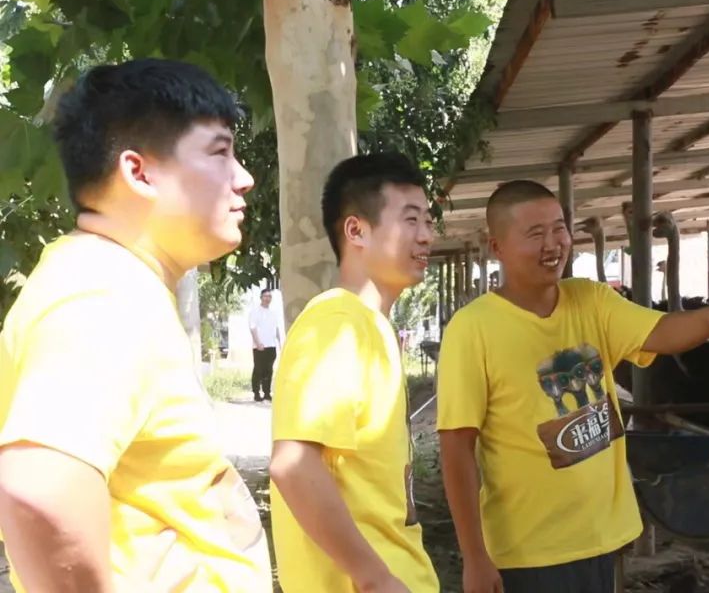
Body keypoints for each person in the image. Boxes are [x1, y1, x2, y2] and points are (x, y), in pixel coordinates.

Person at [0, 59, 271, 591]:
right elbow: (38, 491)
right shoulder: (103, 292)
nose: (245, 178)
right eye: (220, 152)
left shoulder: (114, 282)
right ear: (138, 172)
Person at [437, 180, 709, 593]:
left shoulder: (590, 300)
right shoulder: (473, 330)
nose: (553, 243)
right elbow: (456, 449)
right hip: (530, 551)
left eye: (559, 229)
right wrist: (475, 557)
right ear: (496, 246)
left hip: (602, 538)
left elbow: (659, 332)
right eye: (535, 234)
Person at [269, 152, 440, 593]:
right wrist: (374, 577)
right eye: (411, 219)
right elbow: (293, 463)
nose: (426, 236)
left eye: (428, 221)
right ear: (355, 230)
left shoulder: (369, 326)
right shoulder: (337, 322)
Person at [249, 288, 282, 401]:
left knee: (269, 370)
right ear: (261, 297)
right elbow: (252, 328)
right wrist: (258, 343)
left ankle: (267, 393)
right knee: (258, 369)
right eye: (265, 296)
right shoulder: (255, 311)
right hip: (260, 346)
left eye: (269, 296)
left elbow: (276, 329)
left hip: (271, 345)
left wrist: (280, 342)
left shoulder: (273, 313)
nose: (267, 298)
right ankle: (256, 393)